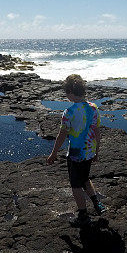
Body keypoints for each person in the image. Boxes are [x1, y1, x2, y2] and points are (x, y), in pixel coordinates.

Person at [46, 74, 106, 226]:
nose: (66, 96)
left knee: (75, 185)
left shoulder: (69, 112)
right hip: (89, 151)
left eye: (66, 92)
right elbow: (97, 131)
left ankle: (83, 215)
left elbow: (61, 135)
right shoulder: (93, 108)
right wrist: (97, 151)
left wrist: (53, 153)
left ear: (71, 92)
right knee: (85, 178)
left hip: (75, 154)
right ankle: (97, 203)